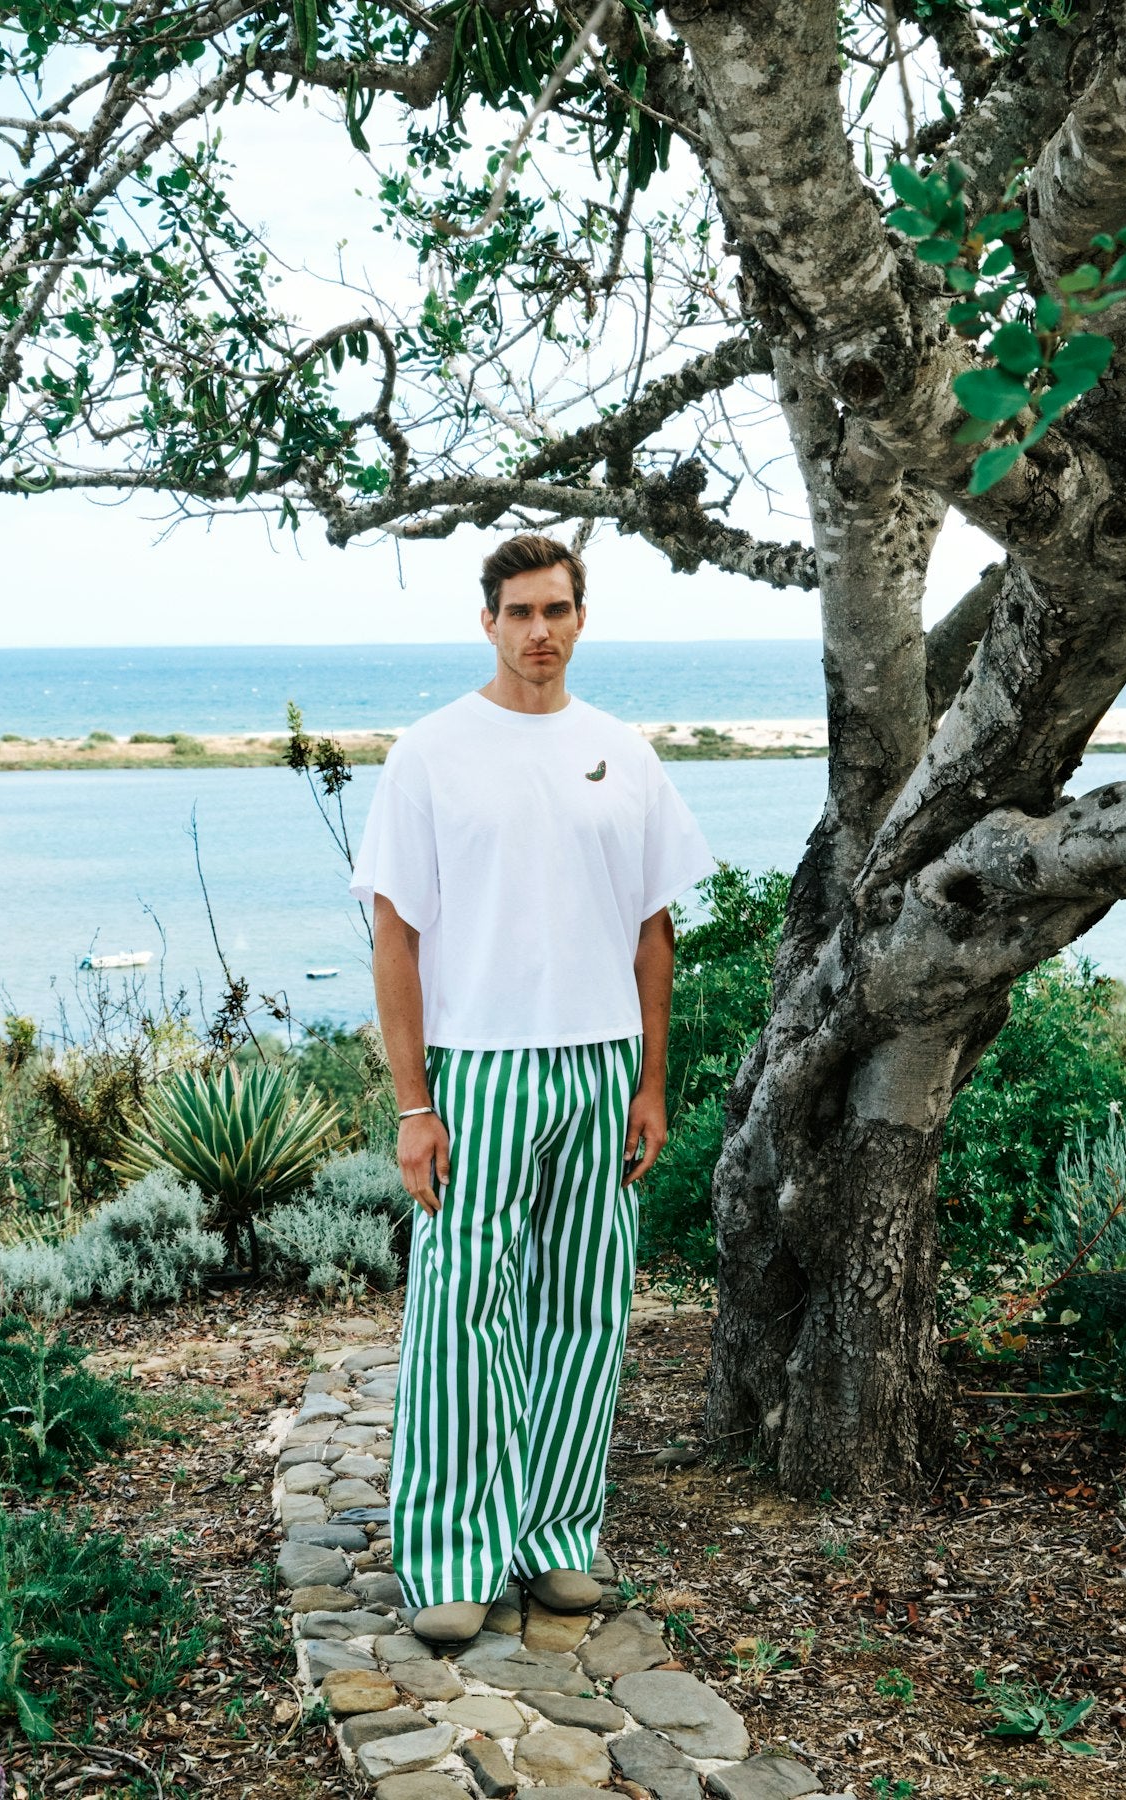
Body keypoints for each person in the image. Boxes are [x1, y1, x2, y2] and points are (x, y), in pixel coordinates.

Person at [347, 532, 716, 1651]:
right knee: (465, 1311)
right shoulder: (431, 753)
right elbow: (394, 936)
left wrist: (652, 1079)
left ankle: (557, 1536)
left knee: (586, 1308)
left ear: (581, 617)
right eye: (518, 611)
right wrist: (414, 1104)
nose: (539, 631)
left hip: (600, 1065)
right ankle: (452, 1556)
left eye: (556, 609)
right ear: (488, 622)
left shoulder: (623, 753)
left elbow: (652, 931)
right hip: (482, 1069)